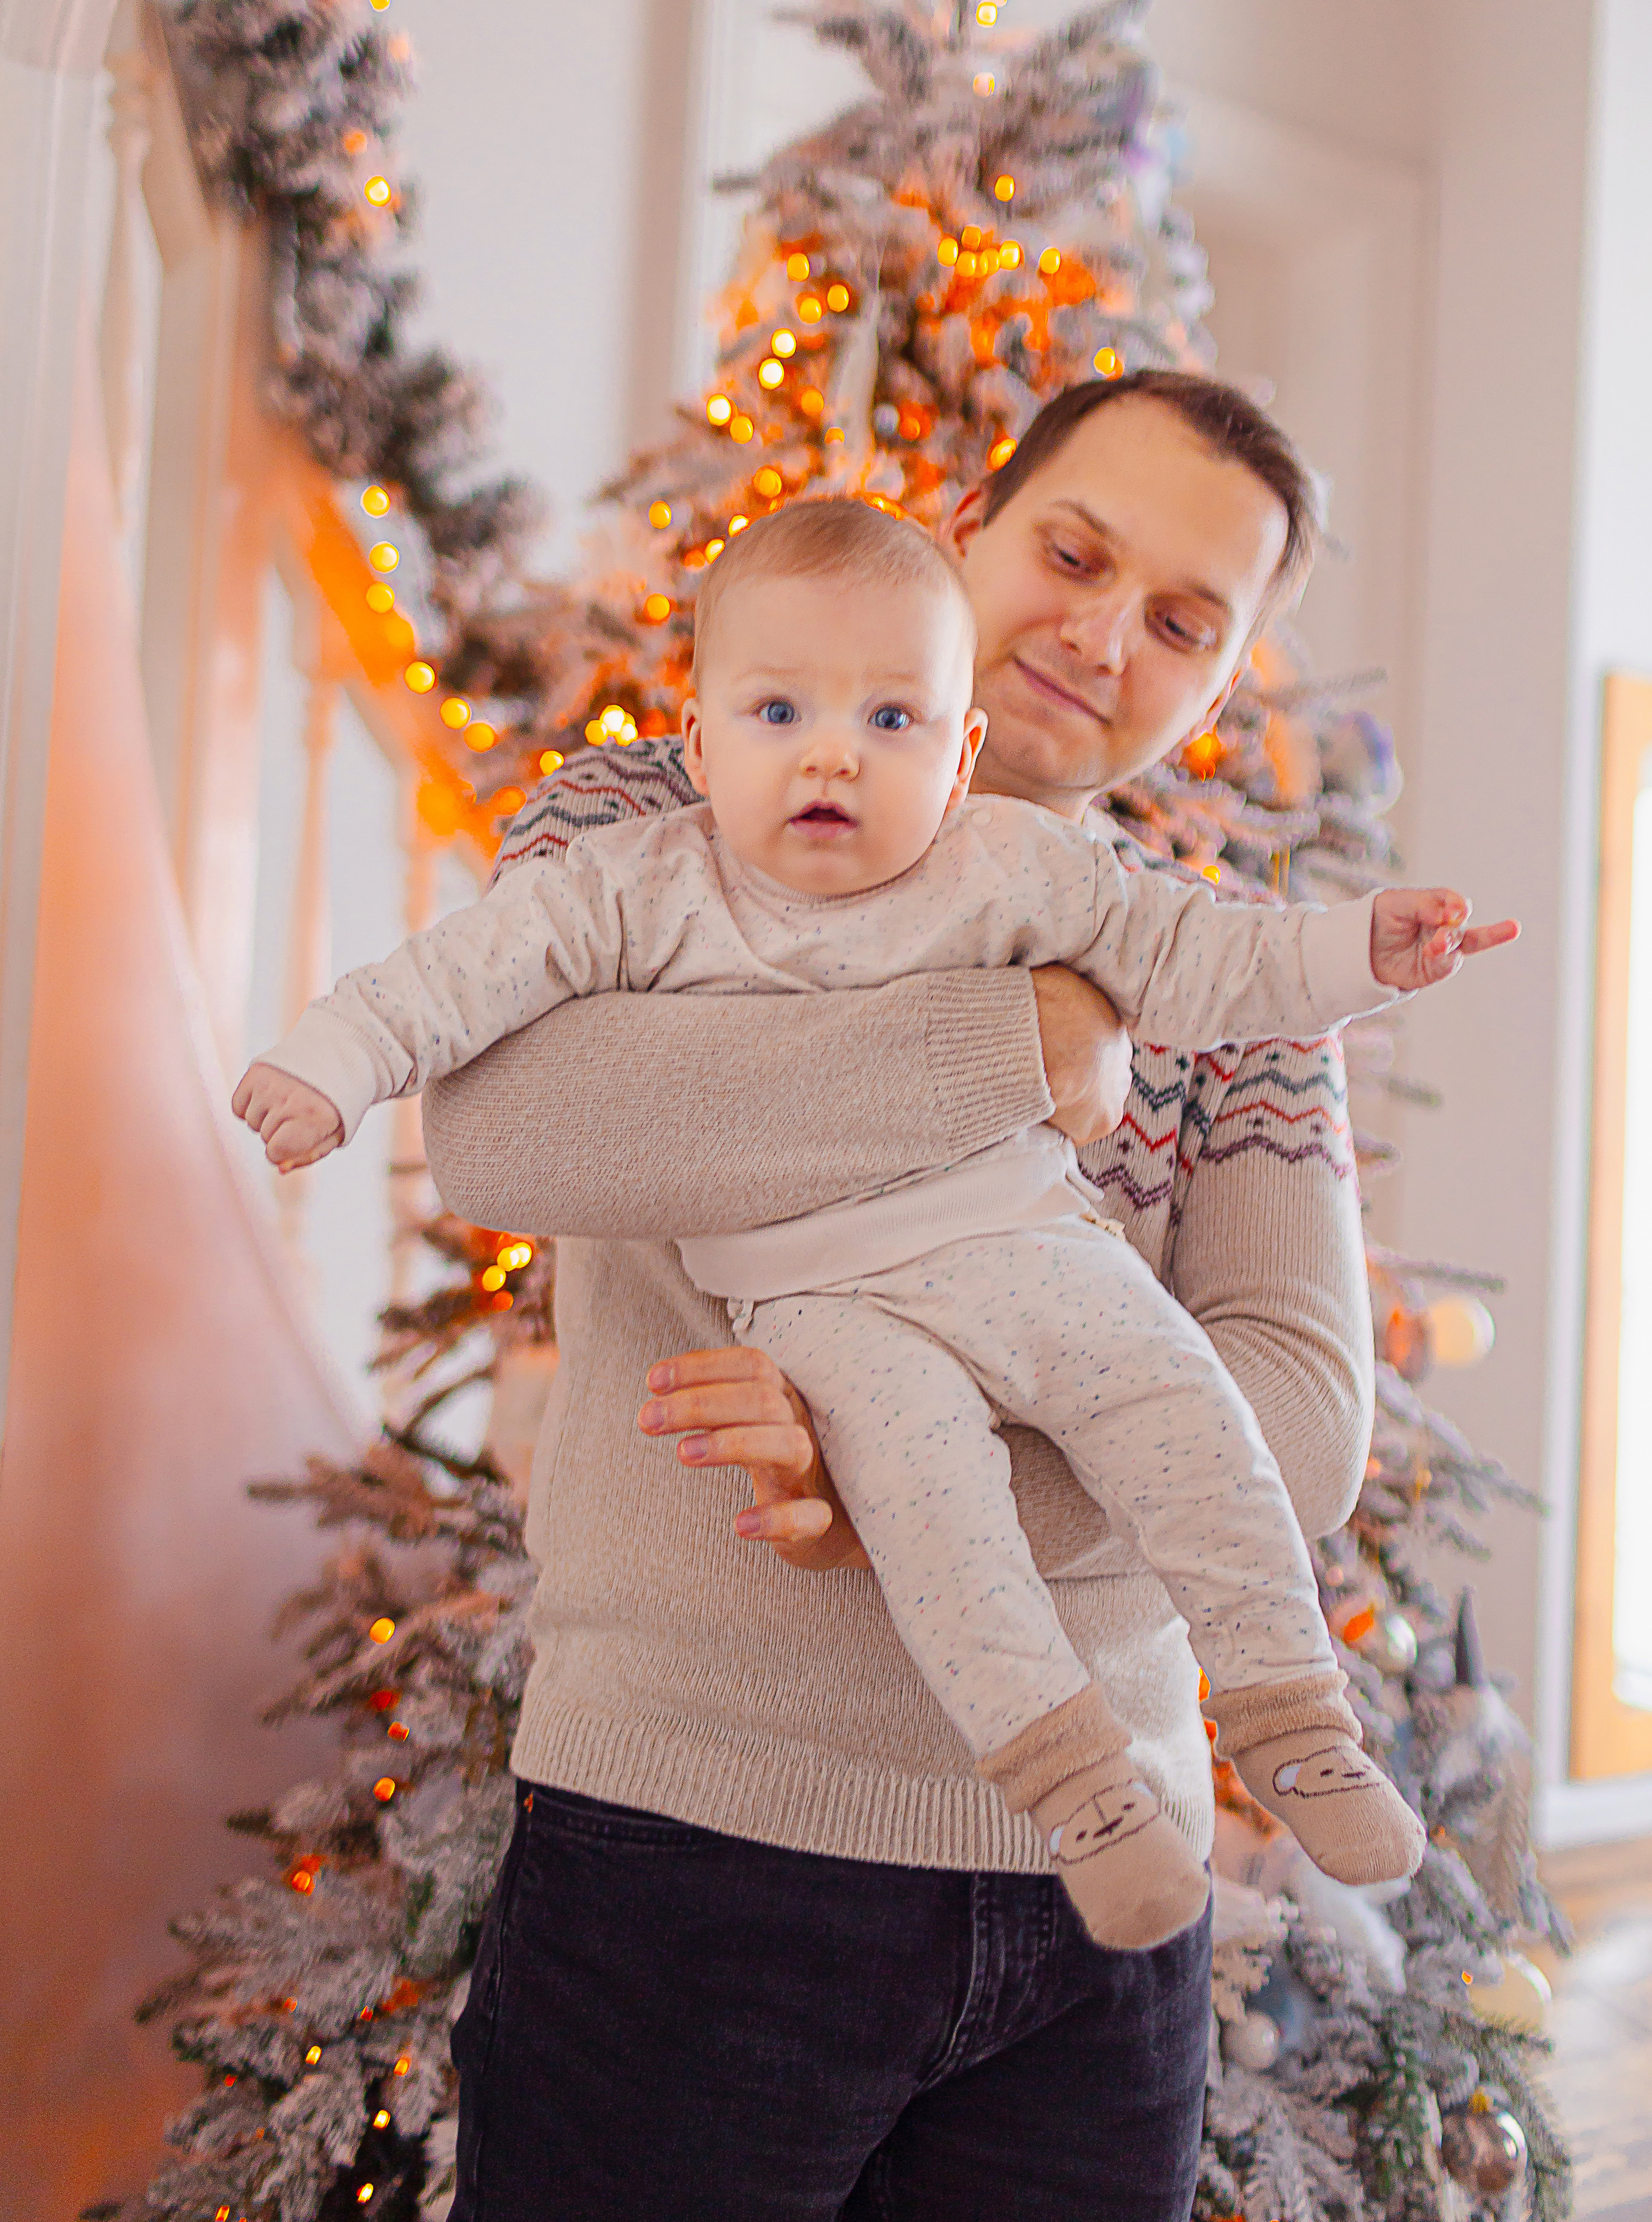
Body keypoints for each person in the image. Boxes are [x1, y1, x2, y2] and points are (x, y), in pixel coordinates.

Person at [375, 374, 1467, 2217]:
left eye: (1186, 622)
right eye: (1073, 551)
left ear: (1222, 683)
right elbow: (506, 1129)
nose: (1103, 633)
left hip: (1100, 1933)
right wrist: (1006, 1047)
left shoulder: (1212, 964)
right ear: (976, 524)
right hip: (694, 1853)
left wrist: (890, 1479)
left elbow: (1296, 1421)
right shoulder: (659, 820)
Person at [236, 496, 1511, 1957]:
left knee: (1176, 1404)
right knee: (930, 1509)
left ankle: (1292, 1717)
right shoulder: (635, 871)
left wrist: (1365, 953)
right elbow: (457, 1010)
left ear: (957, 754)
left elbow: (1207, 963)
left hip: (1029, 1252)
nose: (832, 750)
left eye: (891, 717)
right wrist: (327, 1070)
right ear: (705, 744)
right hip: (820, 1322)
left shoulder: (1011, 867)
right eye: (778, 711)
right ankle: (1077, 1787)